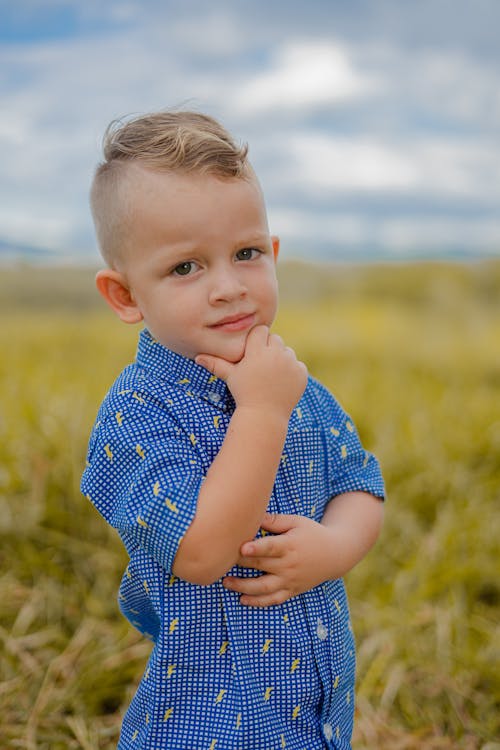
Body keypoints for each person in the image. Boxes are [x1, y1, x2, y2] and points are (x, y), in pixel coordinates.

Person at [81, 109, 385, 750]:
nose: (227, 288)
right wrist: (262, 413)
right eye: (185, 268)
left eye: (246, 254)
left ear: (272, 256)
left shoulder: (290, 382)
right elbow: (200, 553)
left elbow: (359, 481)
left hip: (314, 699)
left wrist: (335, 548)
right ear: (126, 295)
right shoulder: (137, 416)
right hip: (208, 722)